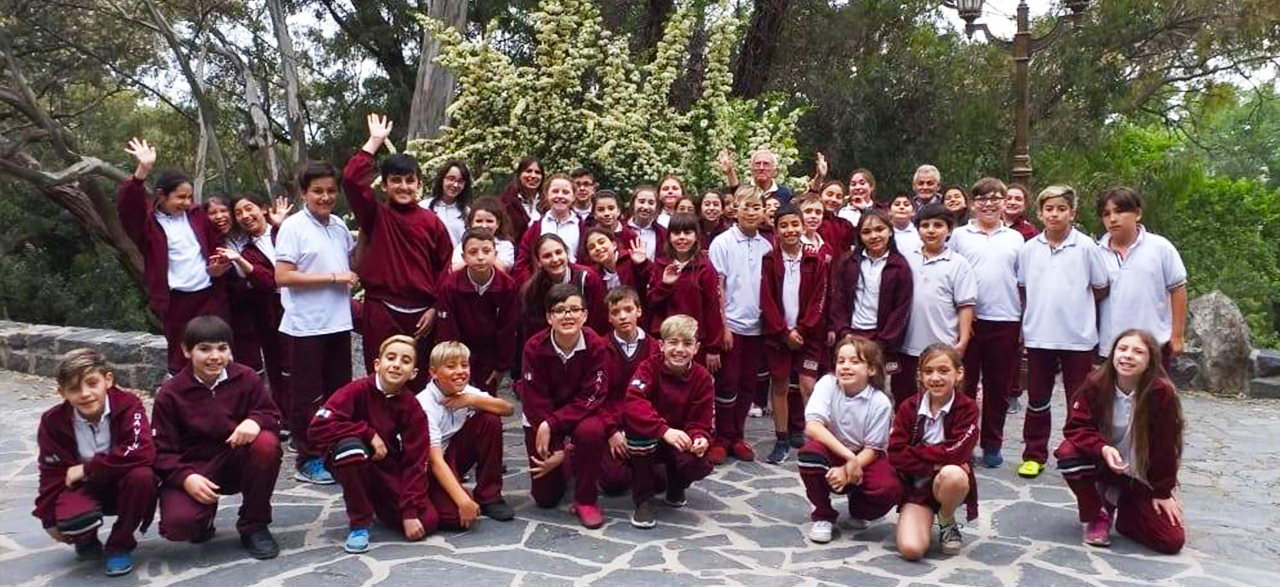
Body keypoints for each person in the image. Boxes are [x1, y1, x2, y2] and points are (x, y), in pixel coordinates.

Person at [151, 316, 283, 560]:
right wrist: (185, 478)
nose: (215, 356)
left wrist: (255, 421)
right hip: (195, 467)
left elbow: (272, 415)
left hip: (236, 459)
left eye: (222, 348)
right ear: (186, 351)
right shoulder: (170, 394)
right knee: (179, 526)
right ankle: (203, 517)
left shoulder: (246, 378)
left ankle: (254, 524)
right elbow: (161, 450)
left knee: (266, 445)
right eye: (204, 349)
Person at [344, 114, 454, 386]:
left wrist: (435, 308)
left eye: (409, 180)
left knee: (418, 382)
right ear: (384, 185)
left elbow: (444, 270)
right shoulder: (375, 215)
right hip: (382, 311)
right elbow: (352, 180)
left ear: (419, 185)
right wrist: (374, 142)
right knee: (381, 379)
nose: (403, 186)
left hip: (421, 317)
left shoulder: (432, 223)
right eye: (396, 180)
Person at [1055, 329, 1185, 554]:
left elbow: (1166, 447)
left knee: (1171, 540)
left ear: (1151, 360)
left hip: (1139, 475)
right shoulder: (1096, 384)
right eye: (1122, 349)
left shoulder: (1161, 393)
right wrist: (1102, 448)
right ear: (1113, 353)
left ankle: (1127, 512)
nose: (1127, 356)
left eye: (1138, 352)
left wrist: (1162, 492)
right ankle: (1097, 513)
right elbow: (1076, 427)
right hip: (1104, 465)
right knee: (1068, 454)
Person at [308, 335, 438, 554]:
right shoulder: (355, 390)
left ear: (413, 373)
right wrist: (367, 433)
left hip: (385, 466)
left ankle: (377, 503)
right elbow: (318, 427)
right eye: (391, 358)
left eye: (405, 361)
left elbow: (415, 460)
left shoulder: (412, 406)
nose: (396, 364)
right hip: (351, 459)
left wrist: (409, 512)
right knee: (351, 450)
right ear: (377, 364)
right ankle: (360, 523)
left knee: (428, 520)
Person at [34, 349, 157, 577]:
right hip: (82, 488)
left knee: (143, 476)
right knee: (73, 520)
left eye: (92, 383)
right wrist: (47, 518)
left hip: (121, 483)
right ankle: (86, 539)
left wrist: (88, 468)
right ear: (62, 392)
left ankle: (120, 545)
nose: (85, 394)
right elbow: (50, 470)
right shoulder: (53, 421)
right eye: (74, 388)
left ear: (107, 380)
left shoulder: (129, 405)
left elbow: (142, 450)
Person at [1017, 186, 1110, 478]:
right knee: (1037, 398)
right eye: (1049, 209)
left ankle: (1077, 450)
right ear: (1040, 213)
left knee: (1079, 400)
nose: (1054, 214)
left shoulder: (1087, 247)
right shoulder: (1029, 248)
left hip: (1077, 338)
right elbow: (1023, 287)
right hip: (1039, 335)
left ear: (1072, 213)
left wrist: (1075, 309)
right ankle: (1034, 454)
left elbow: (1100, 287)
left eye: (1061, 209)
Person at [117, 138, 229, 375]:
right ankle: (181, 394)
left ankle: (219, 392)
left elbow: (217, 244)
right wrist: (142, 171)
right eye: (180, 197)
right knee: (180, 355)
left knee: (215, 351)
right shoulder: (149, 225)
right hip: (176, 301)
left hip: (209, 296)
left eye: (189, 197)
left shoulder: (197, 215)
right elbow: (128, 208)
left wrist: (220, 265)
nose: (187, 202)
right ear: (161, 195)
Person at [276, 159, 355, 485]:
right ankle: (308, 459)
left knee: (339, 395)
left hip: (338, 322)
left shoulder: (338, 225)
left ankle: (334, 451)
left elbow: (350, 261)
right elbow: (282, 276)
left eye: (331, 191)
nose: (325, 197)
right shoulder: (293, 227)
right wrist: (333, 277)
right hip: (305, 325)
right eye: (318, 191)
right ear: (304, 193)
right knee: (307, 397)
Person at [518, 283, 613, 528]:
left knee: (591, 431)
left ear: (585, 315)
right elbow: (533, 400)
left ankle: (586, 500)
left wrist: (558, 435)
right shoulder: (534, 348)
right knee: (546, 498)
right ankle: (570, 461)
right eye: (559, 310)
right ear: (549, 317)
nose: (567, 315)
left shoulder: (596, 346)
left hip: (581, 414)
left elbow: (593, 395)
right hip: (542, 418)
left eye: (574, 309)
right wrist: (556, 443)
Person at [948, 177, 1024, 469]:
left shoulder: (1016, 239)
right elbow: (951, 276)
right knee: (964, 385)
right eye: (982, 199)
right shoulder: (960, 236)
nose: (989, 204)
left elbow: (1022, 282)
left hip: (1005, 320)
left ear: (1004, 203)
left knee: (998, 387)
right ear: (972, 204)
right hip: (969, 322)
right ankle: (963, 441)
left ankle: (993, 444)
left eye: (995, 199)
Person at [798, 336, 901, 543]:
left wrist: (848, 470)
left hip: (864, 455)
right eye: (841, 361)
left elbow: (873, 449)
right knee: (809, 455)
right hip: (833, 449)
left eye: (855, 361)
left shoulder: (880, 402)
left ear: (871, 369)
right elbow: (813, 426)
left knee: (889, 488)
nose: (845, 366)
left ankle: (859, 509)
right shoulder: (827, 384)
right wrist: (848, 458)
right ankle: (823, 515)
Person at [889, 343, 980, 560]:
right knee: (912, 550)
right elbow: (896, 454)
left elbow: (958, 453)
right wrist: (935, 463)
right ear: (920, 376)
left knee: (954, 474)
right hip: (917, 486)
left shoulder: (968, 408)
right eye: (928, 371)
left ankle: (946, 518)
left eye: (943, 370)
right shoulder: (909, 407)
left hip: (946, 482)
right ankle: (925, 514)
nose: (935, 377)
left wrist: (917, 451)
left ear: (958, 373)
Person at [624, 315, 715, 529]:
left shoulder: (702, 378)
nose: (679, 349)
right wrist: (663, 430)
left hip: (681, 439)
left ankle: (677, 485)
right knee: (638, 433)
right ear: (662, 345)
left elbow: (701, 421)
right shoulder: (648, 368)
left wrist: (700, 438)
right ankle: (643, 500)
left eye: (687, 343)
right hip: (654, 437)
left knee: (699, 460)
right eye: (673, 342)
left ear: (696, 348)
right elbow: (634, 402)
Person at [418, 342, 517, 529]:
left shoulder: (465, 392)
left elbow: (508, 409)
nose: (460, 371)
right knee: (456, 518)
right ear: (433, 372)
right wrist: (463, 501)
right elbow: (435, 461)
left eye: (464, 365)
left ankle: (490, 497)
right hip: (428, 466)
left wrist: (472, 400)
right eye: (451, 366)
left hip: (453, 454)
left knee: (489, 419)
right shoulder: (425, 405)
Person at [760, 203, 831, 464]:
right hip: (778, 335)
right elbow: (766, 299)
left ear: (802, 226)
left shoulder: (815, 260)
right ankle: (781, 439)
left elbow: (819, 298)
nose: (790, 230)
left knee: (808, 386)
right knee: (779, 384)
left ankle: (813, 439)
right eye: (784, 225)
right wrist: (783, 331)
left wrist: (801, 329)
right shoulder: (769, 260)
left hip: (808, 335)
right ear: (776, 230)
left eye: (794, 224)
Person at [708, 188, 773, 463]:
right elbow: (717, 287)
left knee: (748, 383)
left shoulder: (767, 246)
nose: (751, 211)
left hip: (757, 327)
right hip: (731, 326)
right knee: (728, 383)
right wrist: (722, 326)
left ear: (764, 212)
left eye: (756, 207)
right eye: (746, 206)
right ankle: (722, 437)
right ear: (735, 209)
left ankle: (737, 435)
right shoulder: (722, 243)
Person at [1095, 187, 1188, 376]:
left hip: (1154, 344)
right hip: (1113, 347)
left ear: (1137, 213)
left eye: (1119, 211)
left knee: (1154, 393)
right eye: (1106, 214)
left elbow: (1178, 288)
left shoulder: (1160, 247)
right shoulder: (1095, 253)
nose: (1113, 219)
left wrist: (1177, 336)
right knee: (1115, 394)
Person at [892, 203, 976, 405]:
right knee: (905, 398)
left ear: (949, 230)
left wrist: (963, 340)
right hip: (906, 345)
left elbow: (965, 305)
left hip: (942, 344)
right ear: (917, 229)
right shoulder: (905, 258)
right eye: (925, 225)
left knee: (940, 398)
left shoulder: (958, 264)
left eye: (938, 225)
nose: (931, 230)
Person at [220, 193, 292, 425]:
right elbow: (268, 281)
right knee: (277, 367)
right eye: (238, 213)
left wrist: (281, 226)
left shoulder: (285, 231)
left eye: (249, 208)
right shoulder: (248, 251)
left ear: (263, 209)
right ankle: (284, 418)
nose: (245, 216)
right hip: (271, 314)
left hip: (304, 306)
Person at [827, 207, 913, 381]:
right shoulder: (849, 262)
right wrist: (844, 332)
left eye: (879, 229)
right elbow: (838, 300)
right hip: (851, 336)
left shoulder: (899, 266)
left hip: (881, 340)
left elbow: (901, 309)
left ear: (890, 231)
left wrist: (882, 342)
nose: (874, 236)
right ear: (859, 236)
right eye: (866, 232)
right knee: (848, 384)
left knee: (878, 387)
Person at [435, 228, 520, 394]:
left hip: (489, 352)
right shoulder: (450, 286)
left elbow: (507, 328)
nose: (480, 257)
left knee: (485, 397)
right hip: (459, 347)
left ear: (495, 255)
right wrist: (453, 363)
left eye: (486, 251)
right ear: (463, 257)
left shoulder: (507, 285)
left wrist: (501, 366)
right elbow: (447, 330)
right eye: (473, 252)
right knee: (456, 395)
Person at [598, 286, 660, 497]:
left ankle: (639, 465)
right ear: (609, 318)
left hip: (644, 425)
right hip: (613, 425)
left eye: (628, 309)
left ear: (639, 311)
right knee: (614, 483)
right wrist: (611, 432)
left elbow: (658, 395)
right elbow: (596, 397)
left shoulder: (654, 348)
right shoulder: (600, 348)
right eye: (615, 312)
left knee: (661, 481)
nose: (623, 316)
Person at [646, 213, 725, 370]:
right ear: (669, 237)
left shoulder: (705, 268)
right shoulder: (660, 265)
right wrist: (665, 285)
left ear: (696, 237)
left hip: (694, 341)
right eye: (676, 233)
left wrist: (713, 347)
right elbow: (651, 303)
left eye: (687, 233)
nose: (682, 237)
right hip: (665, 340)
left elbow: (712, 308)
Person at [518, 234, 609, 337]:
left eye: (558, 252)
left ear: (567, 253)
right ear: (539, 262)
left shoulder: (588, 279)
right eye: (547, 256)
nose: (555, 259)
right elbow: (534, 331)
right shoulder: (533, 291)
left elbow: (599, 322)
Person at [515, 174, 585, 280]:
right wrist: (532, 283)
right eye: (555, 191)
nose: (560, 196)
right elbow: (522, 263)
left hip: (575, 283)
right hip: (542, 284)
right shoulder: (534, 228)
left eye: (565, 192)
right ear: (547, 194)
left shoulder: (583, 227)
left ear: (574, 196)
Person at [449, 197, 516, 273]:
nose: (484, 226)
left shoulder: (505, 245)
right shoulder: (462, 246)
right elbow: (453, 270)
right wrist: (470, 256)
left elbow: (503, 269)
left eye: (489, 221)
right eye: (479, 221)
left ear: (497, 224)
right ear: (471, 223)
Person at [583, 227, 650, 295]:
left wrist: (642, 264)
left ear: (614, 244)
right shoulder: (593, 275)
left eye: (601, 242)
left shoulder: (631, 260)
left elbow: (650, 282)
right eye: (592, 247)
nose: (597, 248)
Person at [719, 148, 794, 204]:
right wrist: (730, 172)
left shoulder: (785, 194)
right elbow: (735, 188)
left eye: (766, 164)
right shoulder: (744, 191)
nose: (761, 168)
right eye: (757, 164)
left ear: (774, 170)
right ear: (751, 169)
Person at [424, 160, 473, 247]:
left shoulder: (467, 213)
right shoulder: (424, 207)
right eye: (451, 179)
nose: (455, 185)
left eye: (460, 181)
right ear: (442, 180)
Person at [499, 156, 544, 239]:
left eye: (537, 172)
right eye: (528, 171)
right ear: (519, 175)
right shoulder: (506, 203)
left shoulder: (546, 203)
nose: (533, 175)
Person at [627, 185, 667, 261]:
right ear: (633, 204)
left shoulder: (663, 234)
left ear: (656, 207)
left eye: (651, 203)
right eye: (641, 202)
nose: (645, 207)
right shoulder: (621, 229)